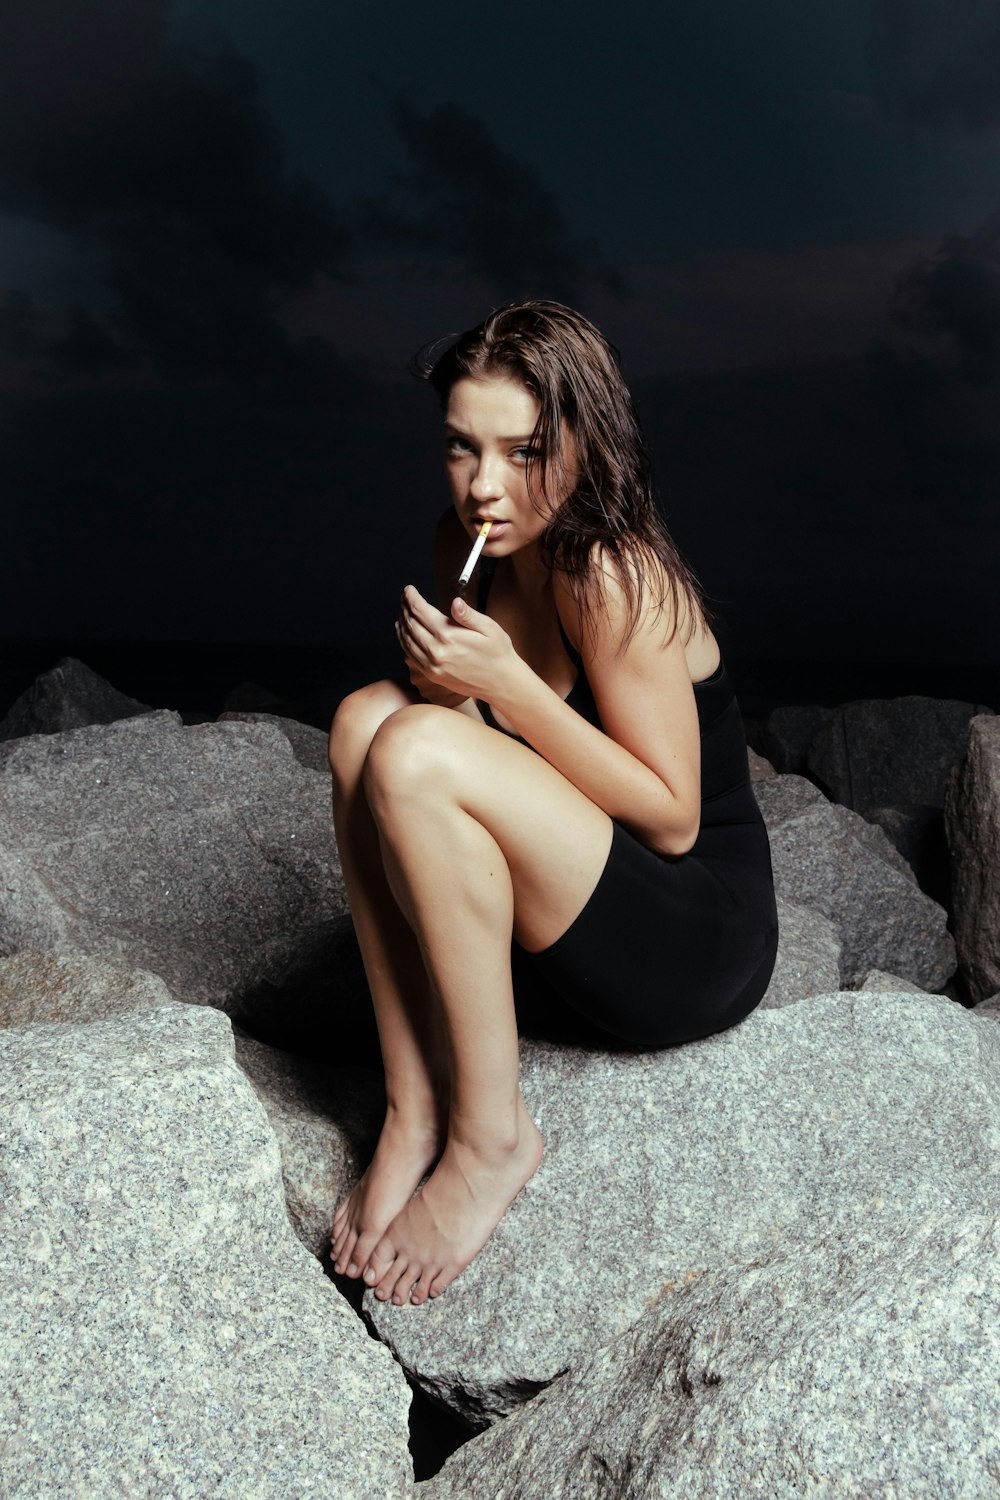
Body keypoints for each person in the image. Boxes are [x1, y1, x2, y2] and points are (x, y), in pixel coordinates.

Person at [327, 300, 778, 1309]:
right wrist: (454, 691)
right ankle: (415, 1106)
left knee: (412, 746)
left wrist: (510, 692)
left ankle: (493, 1140)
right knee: (367, 719)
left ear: (585, 444)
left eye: (523, 452)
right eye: (460, 447)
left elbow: (670, 819)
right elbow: (471, 746)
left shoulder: (612, 574)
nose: (485, 486)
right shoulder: (467, 540)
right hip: (577, 900)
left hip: (691, 926)